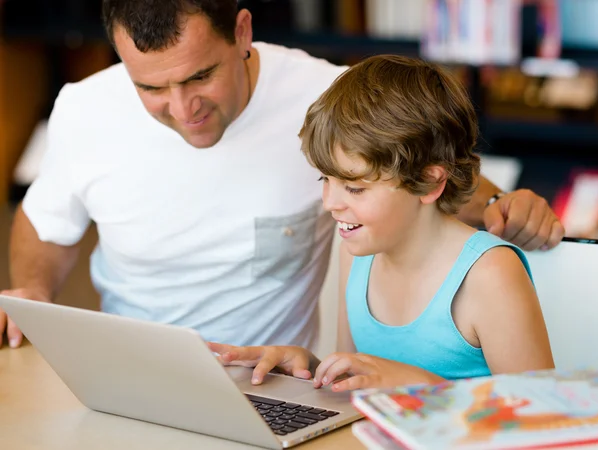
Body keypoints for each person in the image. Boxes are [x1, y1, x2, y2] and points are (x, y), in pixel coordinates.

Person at [0, 0, 564, 350]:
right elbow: (46, 226)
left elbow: (430, 181)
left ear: (242, 32)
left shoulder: (324, 100)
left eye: (200, 76)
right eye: (149, 87)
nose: (181, 106)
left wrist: (509, 205)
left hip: (272, 382)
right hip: (131, 368)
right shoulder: (85, 107)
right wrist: (33, 290)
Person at [208, 55, 555, 391]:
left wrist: (415, 385)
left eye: (355, 188)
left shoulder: (489, 274)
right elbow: (359, 378)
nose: (330, 203)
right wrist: (305, 368)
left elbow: (539, 419)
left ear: (430, 182)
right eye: (325, 180)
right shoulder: (357, 253)